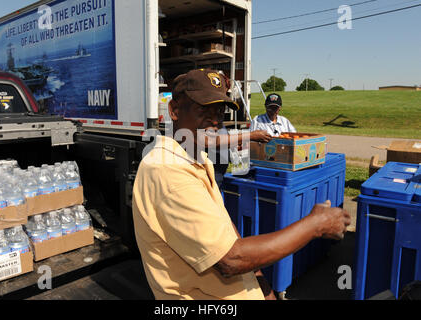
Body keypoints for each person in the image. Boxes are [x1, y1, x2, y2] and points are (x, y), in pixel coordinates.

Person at [132, 69, 350, 300]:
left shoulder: (198, 158)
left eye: (218, 111)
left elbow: (226, 230)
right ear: (174, 111)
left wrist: (261, 285)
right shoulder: (168, 171)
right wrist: (315, 225)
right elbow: (230, 259)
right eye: (202, 109)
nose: (215, 120)